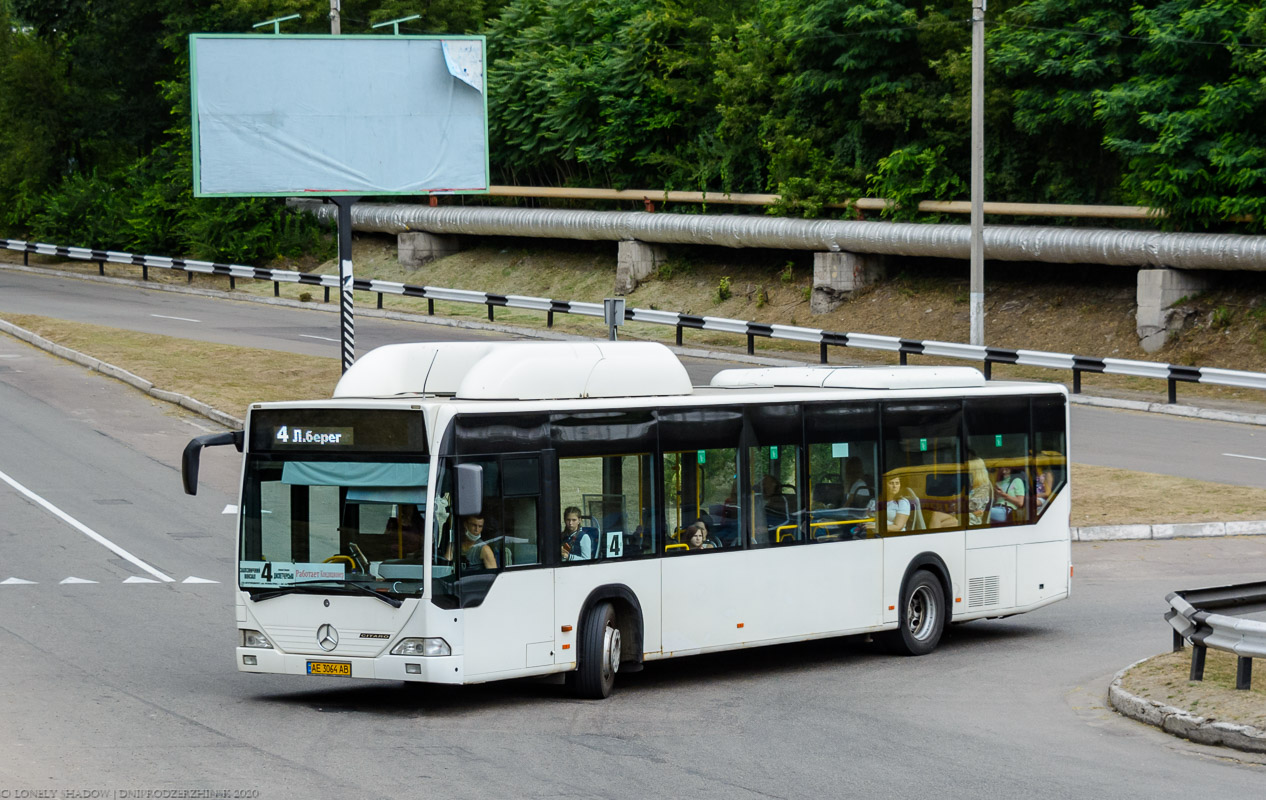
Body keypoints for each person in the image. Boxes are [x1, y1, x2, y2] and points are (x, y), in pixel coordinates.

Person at [966, 455, 992, 527]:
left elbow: (973, 507)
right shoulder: (971, 484)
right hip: (963, 516)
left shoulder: (983, 487)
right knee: (936, 515)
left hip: (972, 520)